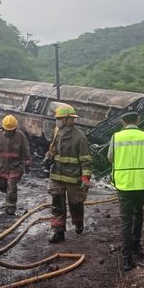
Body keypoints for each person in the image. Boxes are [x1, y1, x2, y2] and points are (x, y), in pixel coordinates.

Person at [107, 112, 144, 271]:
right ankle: (136, 246)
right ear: (138, 120)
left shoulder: (116, 137)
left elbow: (110, 158)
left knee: (125, 219)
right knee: (138, 212)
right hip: (142, 183)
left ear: (123, 122)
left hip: (123, 183)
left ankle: (127, 259)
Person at [45, 104, 93, 243]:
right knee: (57, 204)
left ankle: (78, 222)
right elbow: (52, 149)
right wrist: (49, 156)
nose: (57, 121)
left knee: (76, 203)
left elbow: (86, 159)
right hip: (56, 174)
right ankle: (58, 231)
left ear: (68, 119)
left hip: (73, 177)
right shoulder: (56, 132)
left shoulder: (80, 137)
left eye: (60, 118)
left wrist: (85, 179)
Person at [0, 115, 31, 215]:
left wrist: (27, 163)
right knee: (1, 185)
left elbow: (25, 150)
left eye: (11, 130)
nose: (9, 132)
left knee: (11, 186)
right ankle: (8, 199)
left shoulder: (20, 136)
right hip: (1, 165)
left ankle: (10, 207)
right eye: (7, 130)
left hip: (15, 166)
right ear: (3, 128)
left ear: (15, 128)